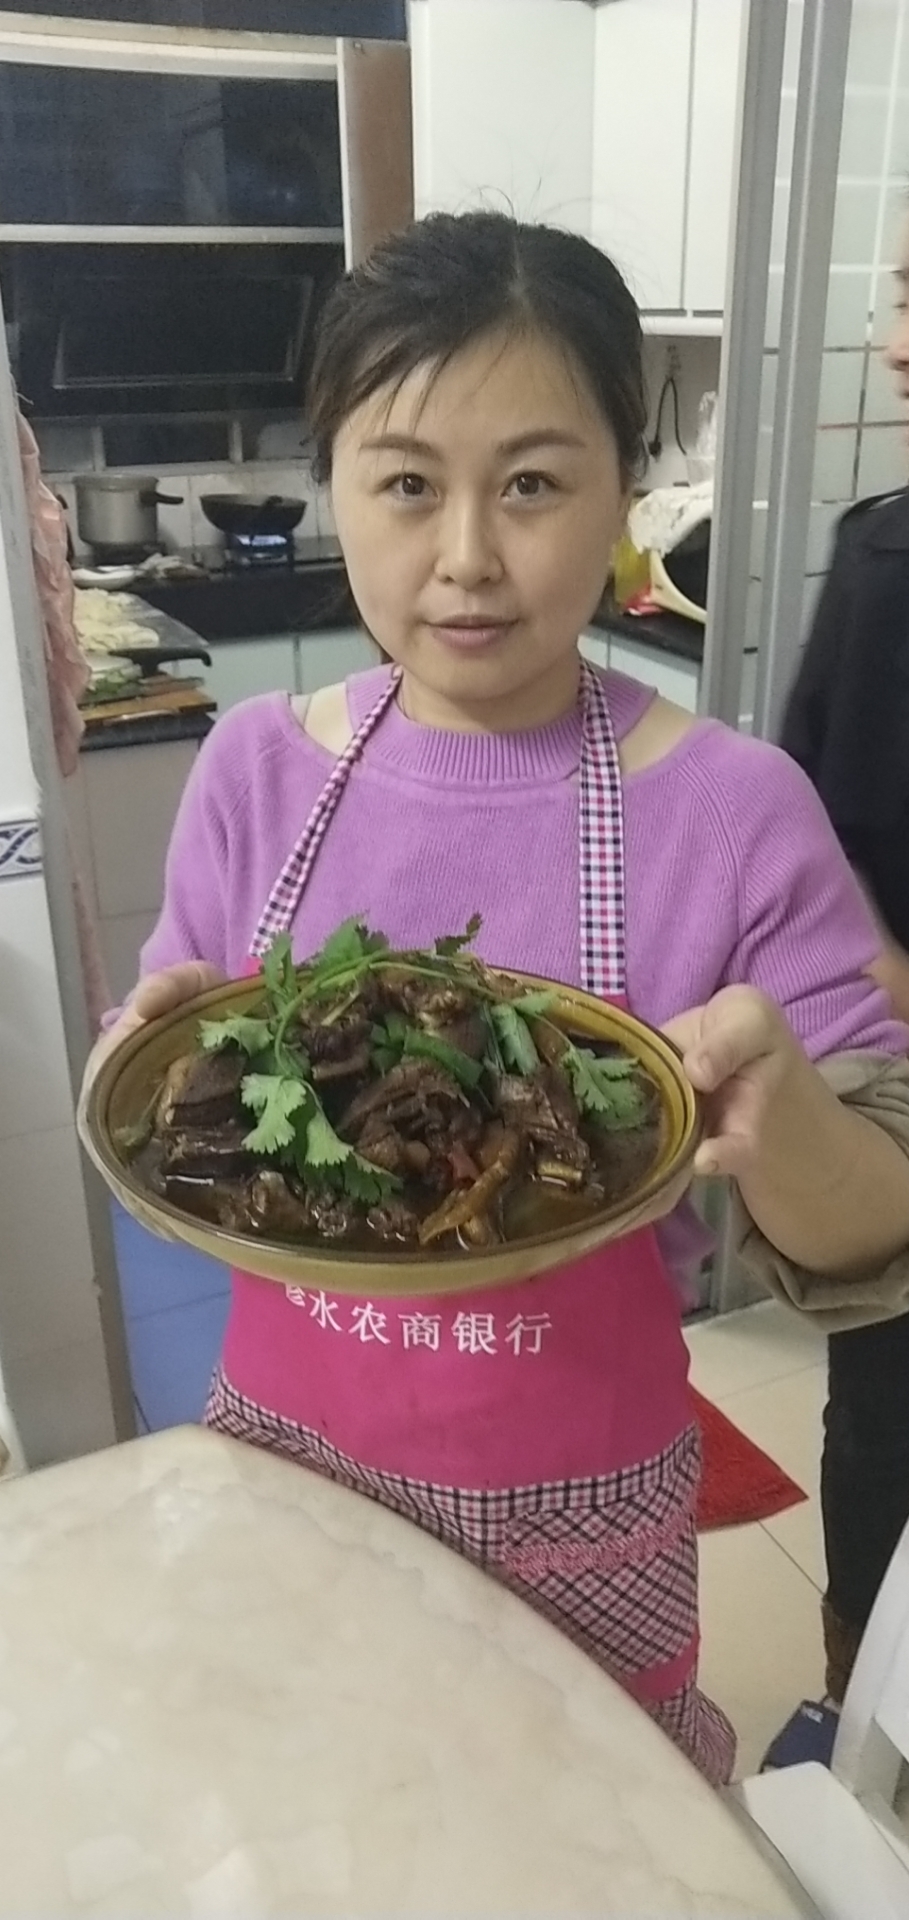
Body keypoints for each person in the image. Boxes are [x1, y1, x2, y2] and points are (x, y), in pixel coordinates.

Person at [79, 210, 909, 1787]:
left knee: (576, 1830)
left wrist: (786, 1113)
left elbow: (879, 1236)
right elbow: (164, 1072)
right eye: (406, 484)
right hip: (285, 1452)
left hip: (574, 1494)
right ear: (334, 482)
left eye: (530, 483)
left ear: (622, 493)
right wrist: (157, 1048)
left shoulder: (734, 810)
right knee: (322, 1806)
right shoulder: (255, 768)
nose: (465, 556)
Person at [771, 232, 909, 1765]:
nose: (898, 345)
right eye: (900, 297)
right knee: (878, 1425)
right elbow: (799, 819)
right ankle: (859, 1733)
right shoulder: (878, 555)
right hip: (894, 1100)